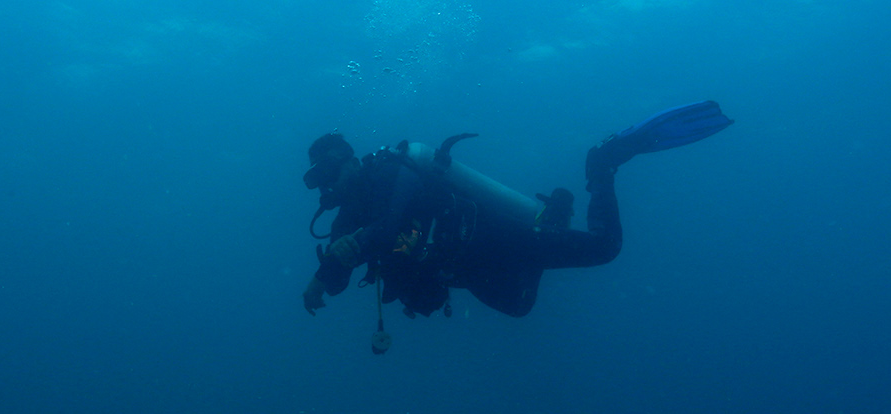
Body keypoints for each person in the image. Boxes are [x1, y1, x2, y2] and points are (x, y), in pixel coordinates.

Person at [300, 102, 732, 335]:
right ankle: (554, 220)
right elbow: (340, 272)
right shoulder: (347, 216)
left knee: (606, 248)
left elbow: (388, 226)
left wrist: (335, 261)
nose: (325, 188)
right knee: (520, 306)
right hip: (468, 269)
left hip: (497, 238)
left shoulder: (391, 171)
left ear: (349, 161)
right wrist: (322, 281)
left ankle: (603, 163)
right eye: (316, 180)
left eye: (327, 174)